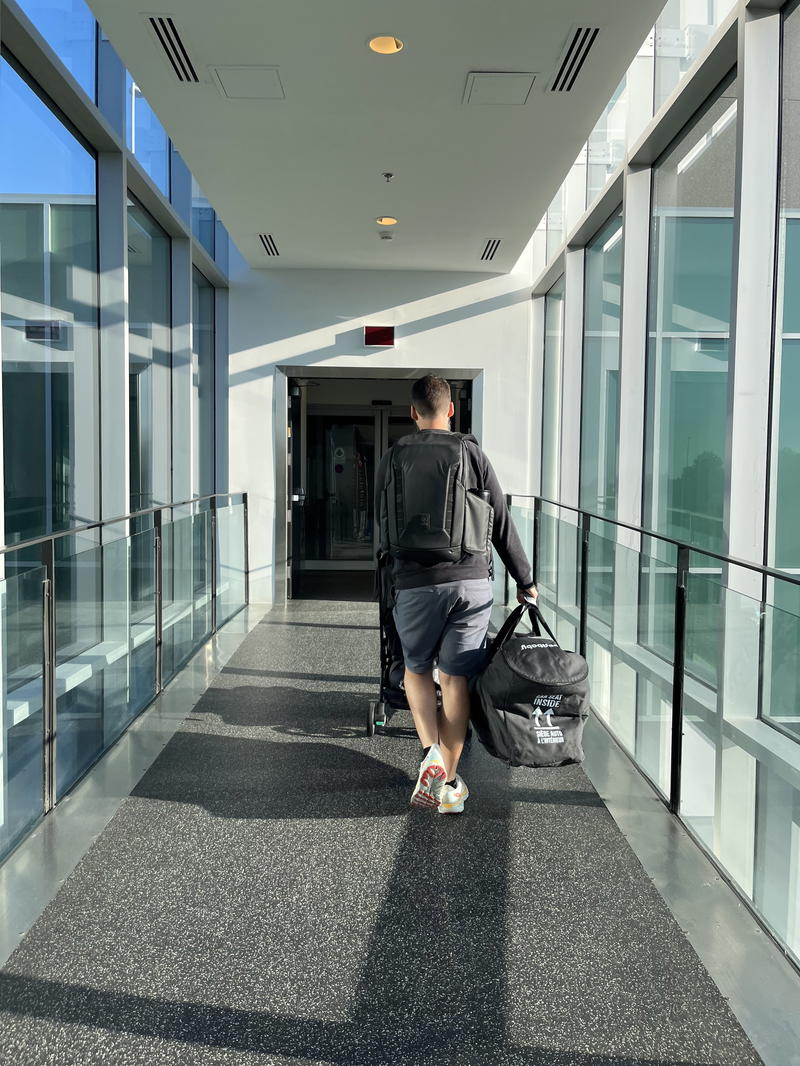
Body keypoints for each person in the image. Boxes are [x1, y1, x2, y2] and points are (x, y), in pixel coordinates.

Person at [374, 375, 537, 815]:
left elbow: (379, 520)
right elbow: (499, 519)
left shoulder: (392, 457)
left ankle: (430, 754)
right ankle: (447, 777)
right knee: (455, 679)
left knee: (415, 670)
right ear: (450, 410)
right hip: (470, 581)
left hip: (413, 583)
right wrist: (525, 579)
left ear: (413, 413)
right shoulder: (471, 453)